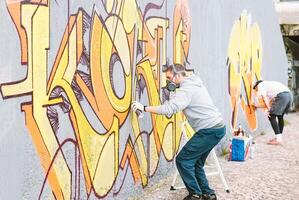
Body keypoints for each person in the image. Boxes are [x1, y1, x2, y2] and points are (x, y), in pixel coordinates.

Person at [132, 64, 225, 200]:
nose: (169, 81)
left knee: (183, 160)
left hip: (209, 130)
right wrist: (175, 92)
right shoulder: (193, 83)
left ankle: (195, 194)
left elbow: (170, 109)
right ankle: (208, 194)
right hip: (217, 128)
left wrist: (144, 107)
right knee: (197, 162)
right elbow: (179, 102)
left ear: (178, 75)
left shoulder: (186, 90)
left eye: (170, 78)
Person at [252, 80, 292, 145]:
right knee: (280, 116)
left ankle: (278, 139)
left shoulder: (260, 85)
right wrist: (257, 106)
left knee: (271, 116)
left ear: (257, 85)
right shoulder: (270, 88)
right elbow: (269, 104)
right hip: (289, 95)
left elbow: (265, 99)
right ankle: (279, 137)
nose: (257, 91)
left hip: (282, 96)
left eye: (256, 89)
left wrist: (268, 110)